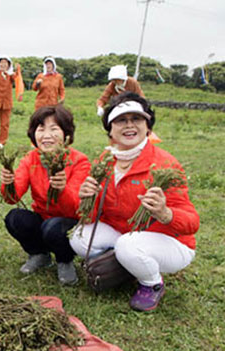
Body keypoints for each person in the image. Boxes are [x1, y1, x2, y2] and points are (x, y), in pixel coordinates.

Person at [70, 92, 199, 311]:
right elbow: (88, 217)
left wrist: (166, 213)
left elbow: (191, 223)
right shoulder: (105, 161)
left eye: (136, 119)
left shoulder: (164, 163)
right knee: (78, 237)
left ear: (148, 126)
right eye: (121, 120)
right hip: (126, 236)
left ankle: (152, 284)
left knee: (128, 245)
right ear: (110, 129)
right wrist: (86, 199)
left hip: (171, 243)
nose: (129, 125)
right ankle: (131, 267)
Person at [1, 105, 90, 285]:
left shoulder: (79, 161)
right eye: (41, 129)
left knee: (53, 227)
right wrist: (9, 183)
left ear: (66, 134)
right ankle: (39, 255)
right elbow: (12, 199)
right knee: (14, 218)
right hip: (44, 218)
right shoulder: (30, 159)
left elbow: (76, 207)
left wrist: (63, 189)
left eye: (54, 129)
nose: (46, 135)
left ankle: (64, 260)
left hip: (69, 222)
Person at [0, 56, 22, 148]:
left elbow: (17, 78)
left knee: (5, 124)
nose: (3, 64)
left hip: (6, 103)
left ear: (8, 65)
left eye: (5, 63)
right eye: (1, 62)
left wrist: (18, 69)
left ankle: (2, 143)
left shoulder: (10, 75)